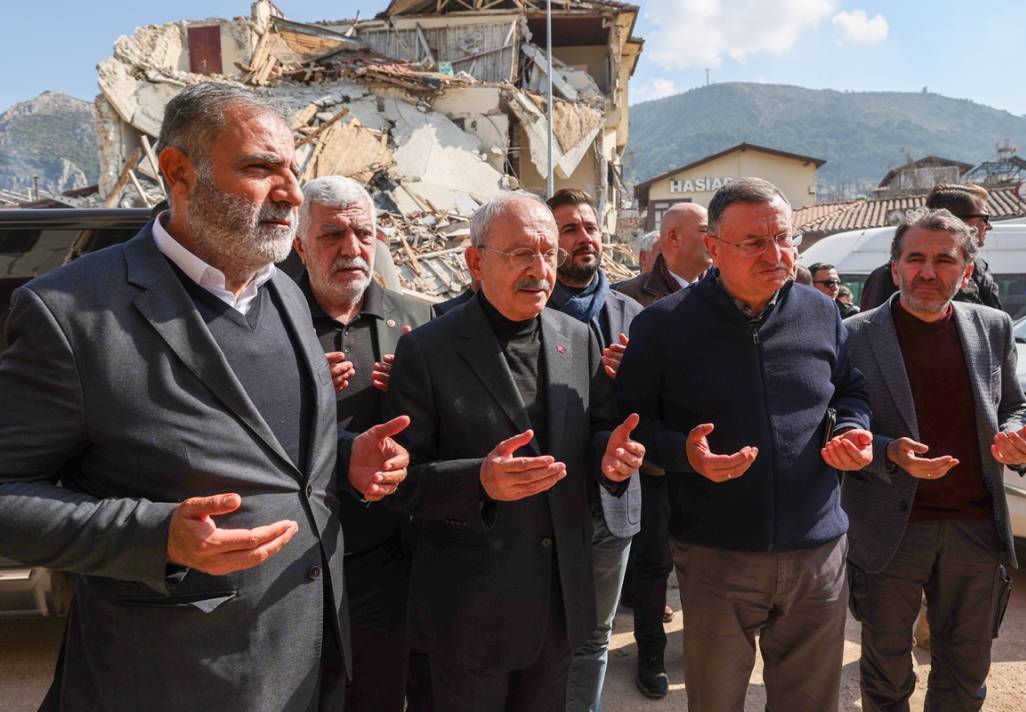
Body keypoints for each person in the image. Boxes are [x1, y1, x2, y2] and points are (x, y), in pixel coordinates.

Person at [0, 82, 410, 711]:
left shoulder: (285, 294)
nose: (292, 194)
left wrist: (346, 455)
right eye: (259, 168)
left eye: (294, 171)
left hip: (311, 663)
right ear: (178, 173)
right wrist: (157, 534)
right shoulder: (70, 313)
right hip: (171, 680)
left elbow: (272, 451)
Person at [616, 177, 873, 712]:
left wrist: (851, 429)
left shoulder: (822, 312)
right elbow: (630, 424)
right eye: (754, 242)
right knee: (715, 701)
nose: (775, 254)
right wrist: (684, 452)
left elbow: (850, 392)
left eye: (783, 238)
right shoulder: (663, 326)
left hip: (818, 552)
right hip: (716, 555)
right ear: (712, 248)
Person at [383, 191, 645, 712]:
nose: (540, 269)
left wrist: (610, 462)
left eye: (548, 253)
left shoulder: (576, 337)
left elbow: (596, 433)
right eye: (522, 253)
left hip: (557, 600)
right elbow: (400, 479)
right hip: (471, 606)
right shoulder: (428, 350)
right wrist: (479, 480)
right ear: (476, 262)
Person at [843, 209, 1026, 711]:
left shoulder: (993, 327)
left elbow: (1013, 403)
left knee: (965, 671)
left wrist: (1014, 434)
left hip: (975, 526)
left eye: (944, 260)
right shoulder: (855, 334)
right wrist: (887, 450)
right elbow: (835, 418)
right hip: (890, 529)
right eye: (916, 259)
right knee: (885, 673)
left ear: (966, 271)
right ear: (895, 266)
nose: (929, 272)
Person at [293, 175, 435, 712]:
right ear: (301, 245)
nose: (352, 248)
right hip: (299, 562)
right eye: (333, 235)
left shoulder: (419, 320)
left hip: (388, 559)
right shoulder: (266, 321)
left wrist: (418, 390)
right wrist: (298, 391)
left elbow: (446, 431)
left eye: (363, 233)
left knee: (379, 692)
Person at [544, 188, 642, 712]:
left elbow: (658, 412)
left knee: (594, 638)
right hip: (543, 503)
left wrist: (634, 383)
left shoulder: (634, 314)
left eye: (590, 227)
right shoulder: (527, 309)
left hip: (612, 505)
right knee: (541, 632)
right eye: (569, 229)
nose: (586, 238)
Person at [613, 201, 711, 699]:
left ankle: (701, 649)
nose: (713, 240)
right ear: (672, 239)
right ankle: (649, 651)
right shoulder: (627, 299)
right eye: (704, 231)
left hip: (711, 457)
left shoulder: (727, 295)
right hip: (653, 459)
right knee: (653, 565)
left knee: (711, 560)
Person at [861, 184, 1001, 311]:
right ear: (954, 220)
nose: (989, 226)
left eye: (945, 261)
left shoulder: (978, 268)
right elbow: (871, 331)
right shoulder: (887, 277)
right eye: (984, 218)